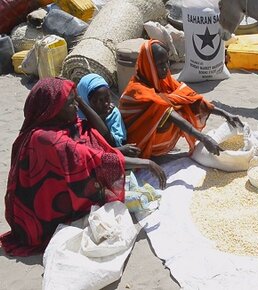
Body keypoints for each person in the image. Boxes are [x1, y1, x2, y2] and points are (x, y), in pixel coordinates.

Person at [0, 78, 166, 256]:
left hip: (65, 192)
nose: (76, 108)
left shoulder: (64, 124)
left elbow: (102, 136)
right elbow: (92, 156)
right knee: (117, 192)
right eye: (71, 103)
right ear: (53, 109)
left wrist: (80, 101)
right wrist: (146, 162)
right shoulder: (45, 138)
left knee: (118, 175)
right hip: (43, 216)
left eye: (76, 101)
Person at [119, 39, 243, 159]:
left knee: (182, 102)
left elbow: (191, 97)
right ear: (148, 64)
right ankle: (155, 153)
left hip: (155, 131)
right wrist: (204, 138)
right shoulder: (136, 90)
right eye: (160, 64)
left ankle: (164, 148)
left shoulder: (163, 81)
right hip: (139, 141)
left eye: (167, 62)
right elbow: (167, 111)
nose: (166, 68)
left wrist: (225, 114)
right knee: (166, 111)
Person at [77, 73, 141, 157]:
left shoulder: (113, 113)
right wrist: (101, 119)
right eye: (99, 100)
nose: (106, 103)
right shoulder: (78, 117)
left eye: (107, 97)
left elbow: (115, 144)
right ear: (86, 101)